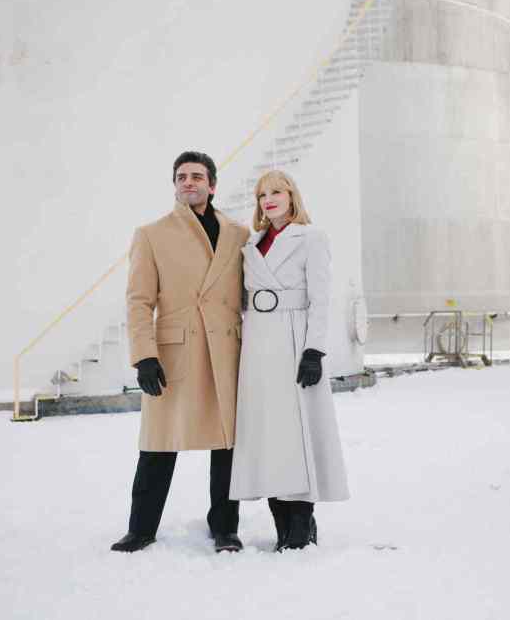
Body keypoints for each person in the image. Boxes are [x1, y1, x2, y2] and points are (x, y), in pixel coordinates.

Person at [111, 150, 250, 553]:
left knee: (227, 445)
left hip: (226, 350)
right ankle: (140, 528)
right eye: (181, 177)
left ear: (212, 185)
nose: (188, 182)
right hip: (175, 352)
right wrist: (144, 355)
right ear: (174, 185)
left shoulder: (237, 233)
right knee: (158, 443)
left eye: (197, 176)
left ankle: (225, 527)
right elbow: (139, 300)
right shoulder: (151, 234)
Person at [229, 170, 349, 550]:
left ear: (292, 195)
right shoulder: (252, 244)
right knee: (267, 432)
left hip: (294, 339)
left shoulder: (311, 237)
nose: (268, 199)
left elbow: (321, 298)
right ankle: (282, 523)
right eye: (262, 194)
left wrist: (313, 350)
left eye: (276, 191)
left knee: (298, 432)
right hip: (259, 341)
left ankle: (301, 524)